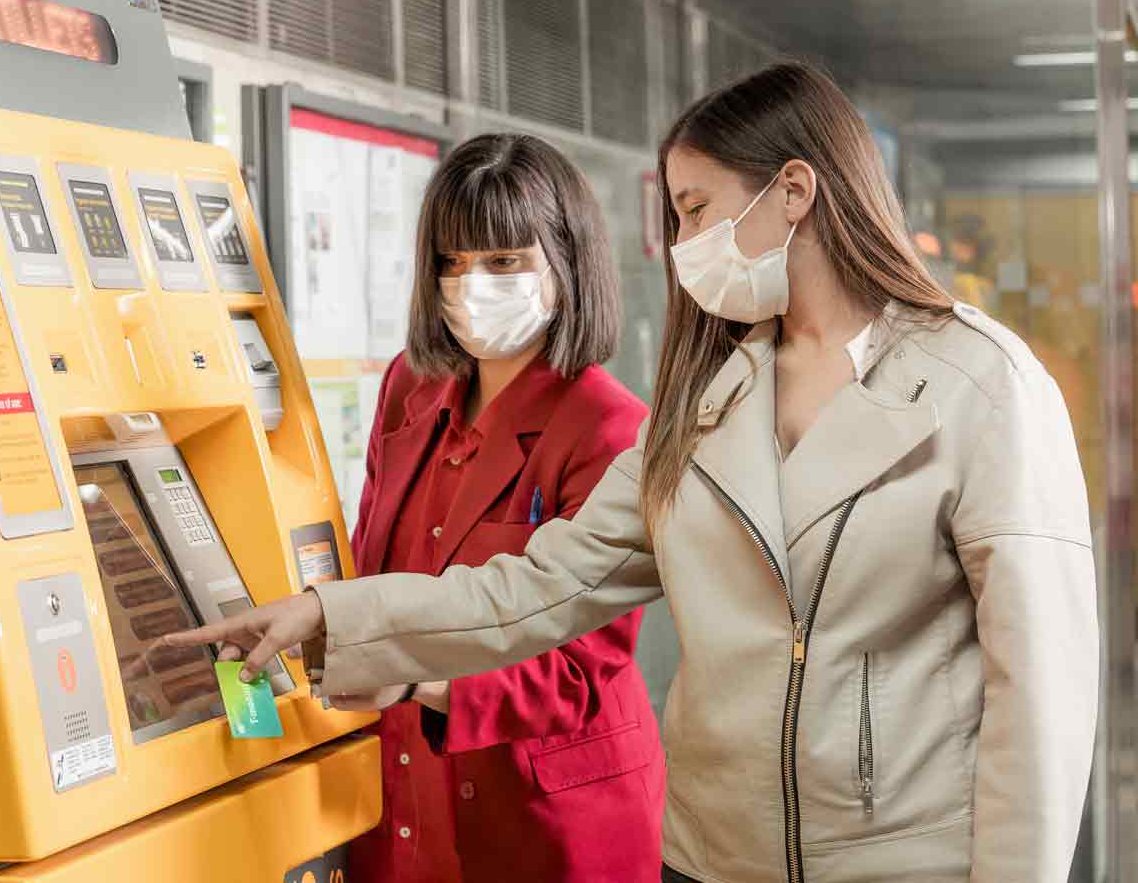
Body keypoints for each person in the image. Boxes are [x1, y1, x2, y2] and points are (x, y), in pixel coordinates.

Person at [166, 63, 1098, 883]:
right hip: (705, 859)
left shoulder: (979, 385)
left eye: (695, 209)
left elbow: (1039, 693)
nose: (684, 243)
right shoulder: (709, 402)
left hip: (897, 865)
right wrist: (332, 619)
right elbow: (539, 588)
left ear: (795, 191)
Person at [295, 134, 669, 882]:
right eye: (452, 262)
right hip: (401, 791)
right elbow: (376, 566)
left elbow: (578, 669)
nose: (471, 286)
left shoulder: (610, 427)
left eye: (504, 262)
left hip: (546, 818)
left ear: (566, 263)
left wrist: (414, 678)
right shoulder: (410, 385)